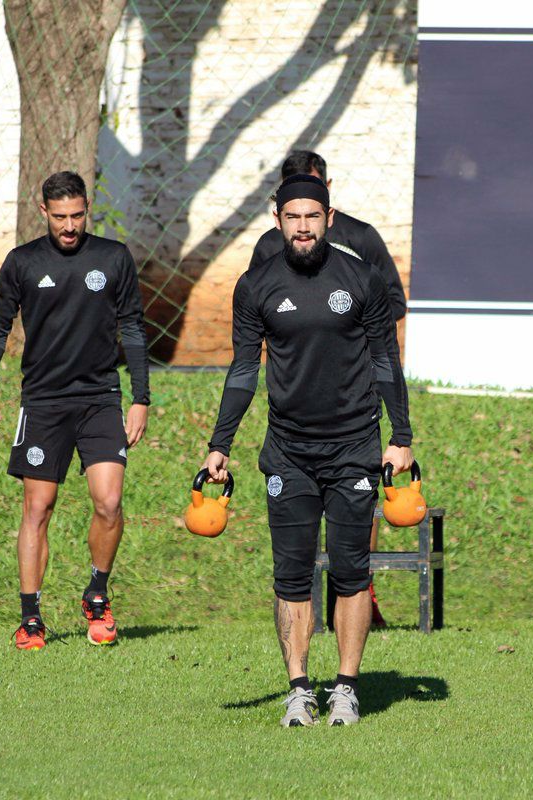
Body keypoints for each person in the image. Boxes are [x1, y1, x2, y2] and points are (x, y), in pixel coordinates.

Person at [201, 173, 414, 726]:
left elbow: (386, 362)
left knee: (350, 572)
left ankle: (345, 687)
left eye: (312, 217)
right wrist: (219, 446)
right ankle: (299, 689)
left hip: (354, 448)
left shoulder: (361, 280)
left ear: (329, 217)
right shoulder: (255, 285)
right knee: (291, 576)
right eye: (292, 217)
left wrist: (401, 438)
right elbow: (245, 369)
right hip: (289, 453)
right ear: (277, 221)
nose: (302, 227)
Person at [0, 171, 150, 650]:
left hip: (100, 400)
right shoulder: (23, 262)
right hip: (45, 403)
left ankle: (97, 595)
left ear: (86, 209)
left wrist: (140, 398)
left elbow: (133, 327)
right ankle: (31, 618)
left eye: (77, 216)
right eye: (60, 218)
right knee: (38, 507)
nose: (69, 226)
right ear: (43, 212)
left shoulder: (112, 258)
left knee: (109, 503)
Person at [250, 150, 405, 628]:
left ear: (328, 198)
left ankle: (362, 595)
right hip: (293, 426)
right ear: (278, 210)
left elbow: (389, 310)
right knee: (292, 565)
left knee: (350, 549)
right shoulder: (266, 252)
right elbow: (259, 316)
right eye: (290, 205)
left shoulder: (360, 242)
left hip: (353, 417)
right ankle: (301, 675)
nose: (302, 218)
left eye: (312, 203)